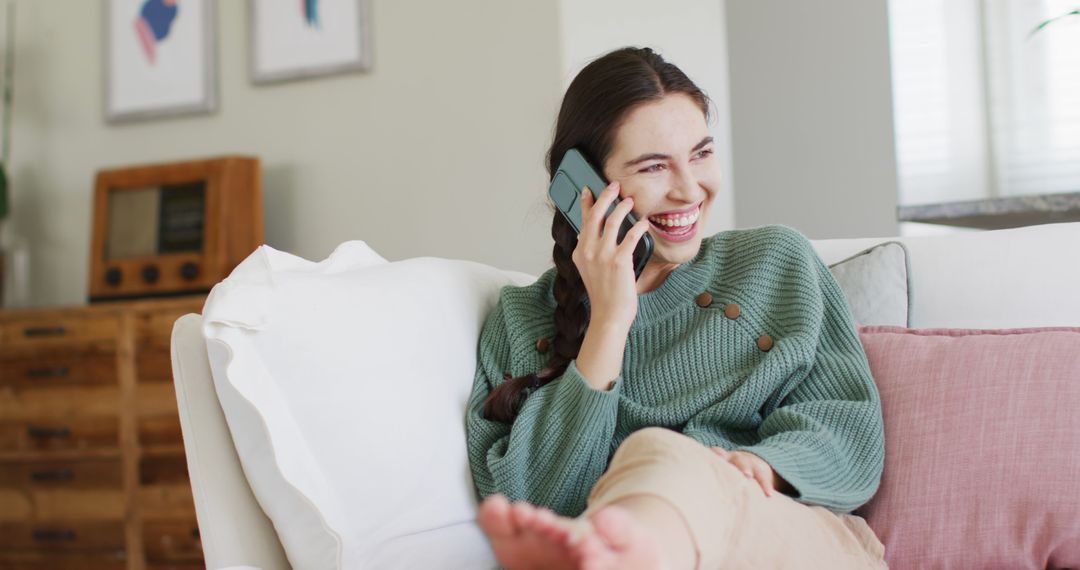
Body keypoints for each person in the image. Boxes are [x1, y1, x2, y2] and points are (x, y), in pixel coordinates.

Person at [465, 46, 887, 570]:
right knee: (643, 474)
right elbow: (535, 501)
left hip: (781, 533)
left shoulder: (775, 264)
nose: (690, 190)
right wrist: (610, 322)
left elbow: (848, 429)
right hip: (613, 531)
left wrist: (761, 465)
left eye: (702, 154)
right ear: (584, 190)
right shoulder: (520, 319)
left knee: (660, 459)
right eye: (654, 167)